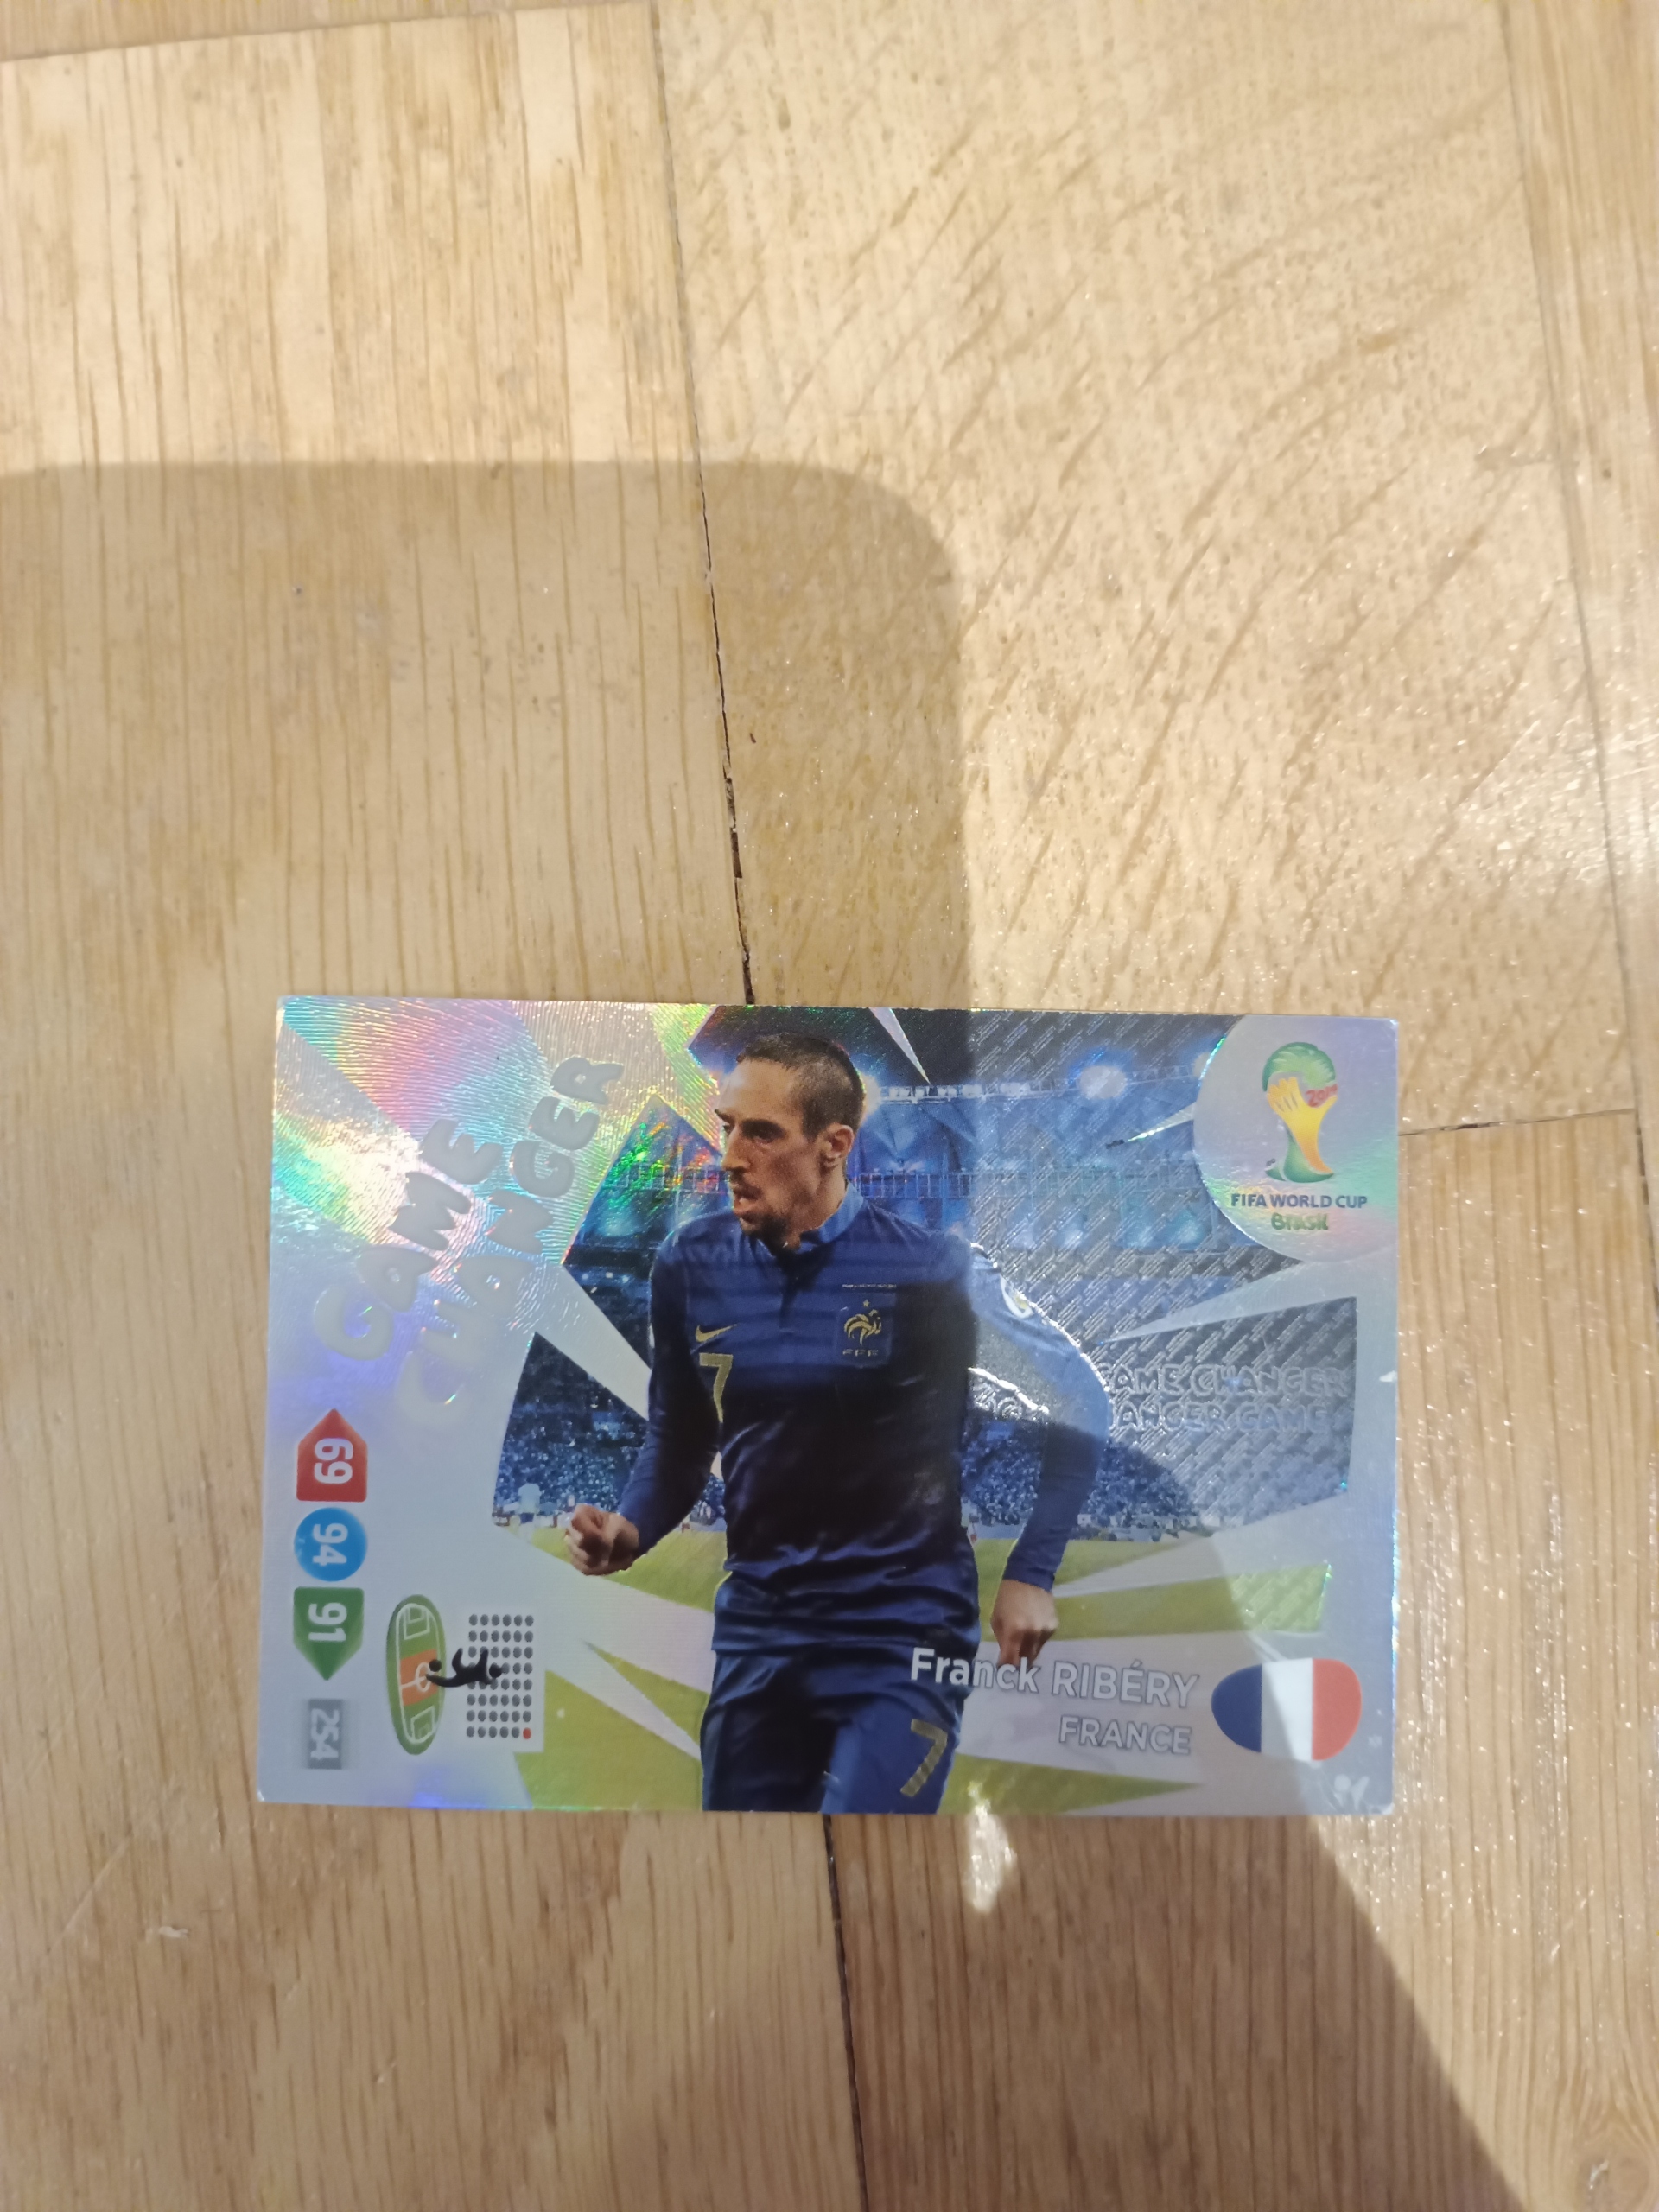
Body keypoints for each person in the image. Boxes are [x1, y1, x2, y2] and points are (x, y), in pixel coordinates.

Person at [565, 1032, 1110, 1813]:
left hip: (902, 1633)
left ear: (833, 1146)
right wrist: (630, 1527)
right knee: (751, 1869)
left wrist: (1031, 1573)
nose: (730, 1157)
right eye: (727, 1127)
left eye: (762, 1133)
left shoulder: (931, 1271)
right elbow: (681, 1438)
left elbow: (1080, 1398)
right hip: (760, 1631)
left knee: (869, 1859)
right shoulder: (690, 1265)